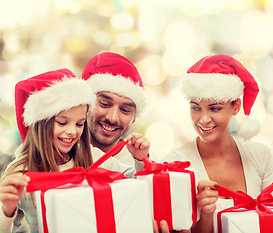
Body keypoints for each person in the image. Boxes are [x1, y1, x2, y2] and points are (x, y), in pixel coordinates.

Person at [0, 69, 148, 232]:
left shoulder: (93, 156)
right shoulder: (20, 173)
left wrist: (140, 160)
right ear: (41, 124)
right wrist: (7, 212)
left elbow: (137, 183)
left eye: (79, 124)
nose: (72, 131)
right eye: (62, 123)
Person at [159, 55, 273, 233]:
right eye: (195, 107)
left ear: (236, 106)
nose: (203, 119)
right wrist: (205, 215)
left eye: (215, 108)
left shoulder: (261, 156)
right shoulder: (175, 164)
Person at [81, 52, 149, 165]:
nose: (112, 118)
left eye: (125, 110)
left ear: (134, 118)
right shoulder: (59, 154)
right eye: (104, 104)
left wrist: (143, 162)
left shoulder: (143, 163)